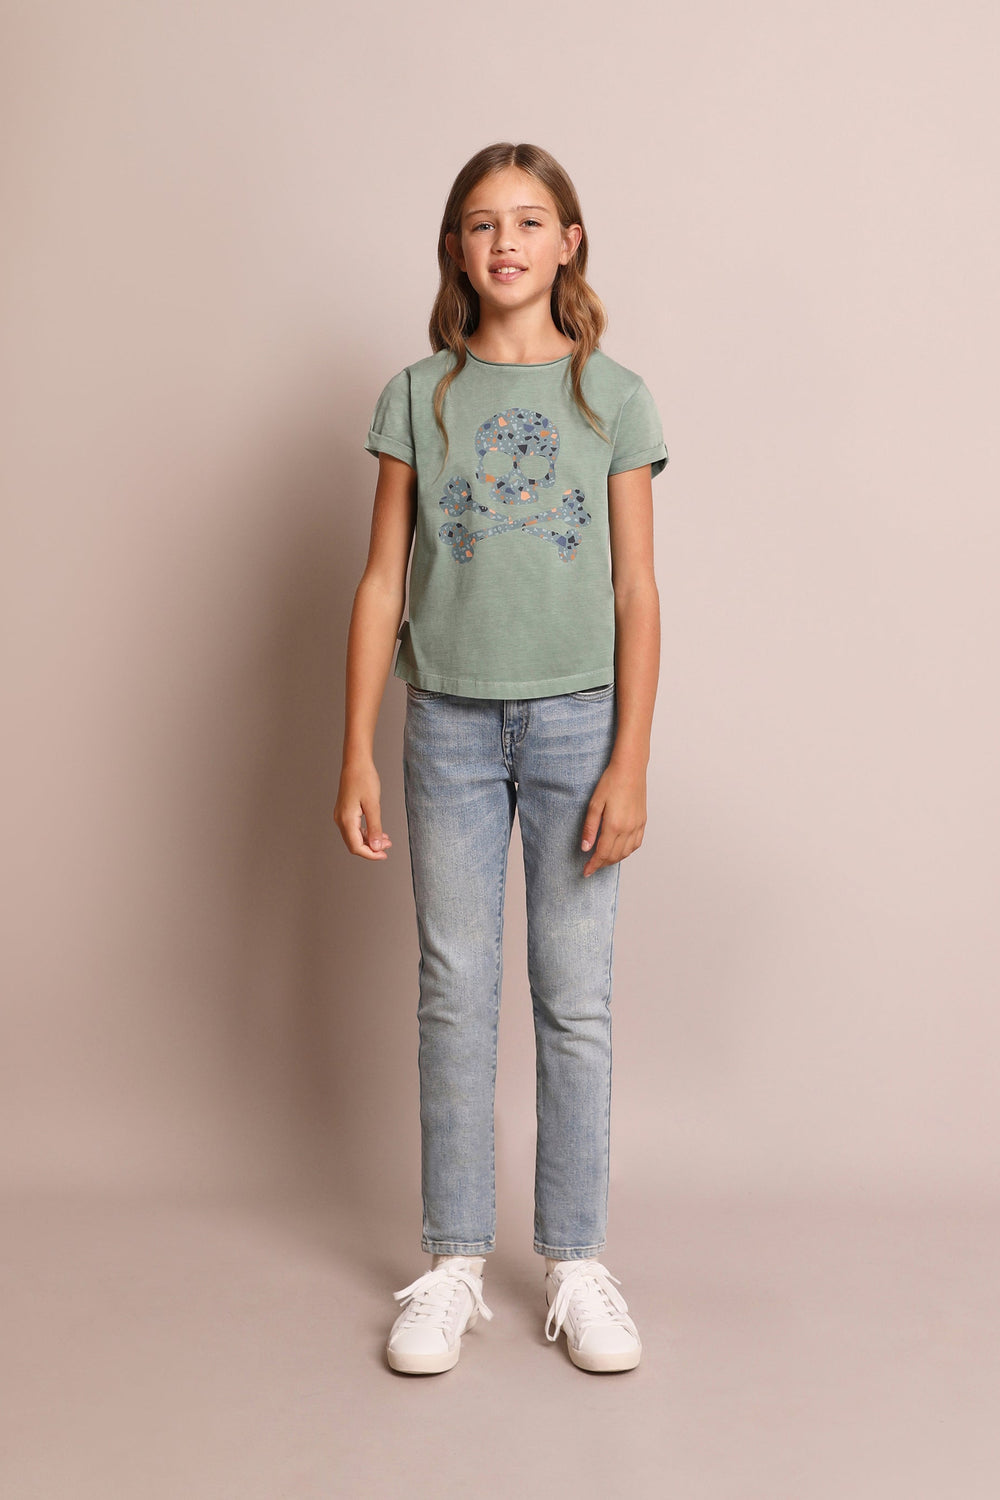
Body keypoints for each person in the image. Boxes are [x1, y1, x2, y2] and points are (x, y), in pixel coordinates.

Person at [334, 142, 669, 1376]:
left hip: (580, 724)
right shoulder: (417, 395)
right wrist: (356, 748)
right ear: (456, 249)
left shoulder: (613, 396)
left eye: (529, 221)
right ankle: (453, 1264)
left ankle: (575, 1262)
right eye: (482, 223)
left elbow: (636, 589)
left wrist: (630, 759)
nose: (506, 242)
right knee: (454, 988)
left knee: (573, 998)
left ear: (569, 242)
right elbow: (382, 582)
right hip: (448, 727)